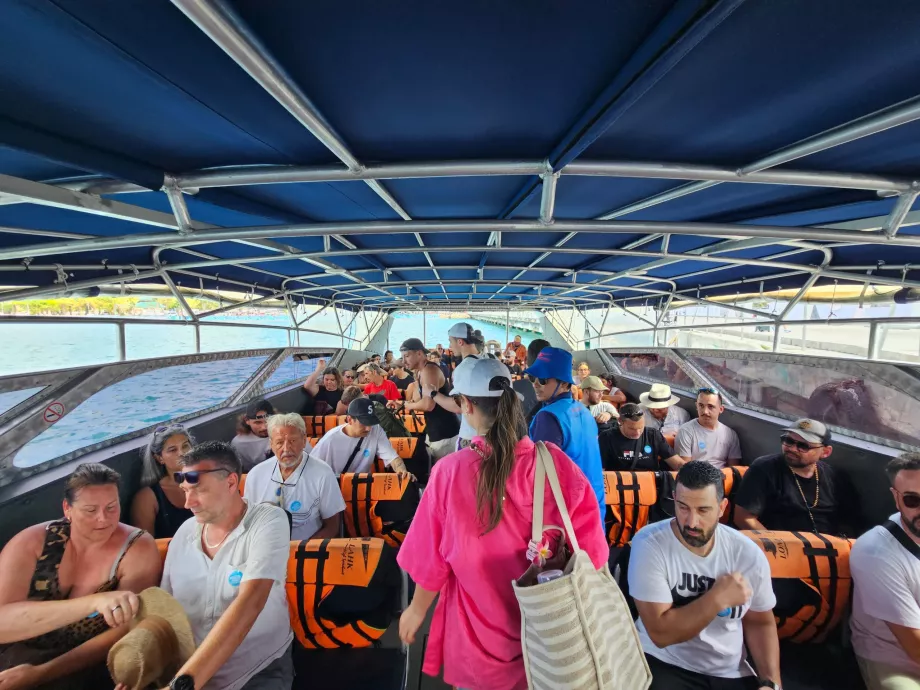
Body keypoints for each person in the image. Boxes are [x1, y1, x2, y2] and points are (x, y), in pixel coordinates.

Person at [397, 357, 608, 690]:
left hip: (478, 646)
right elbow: (593, 554)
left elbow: (432, 560)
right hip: (552, 640)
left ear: (464, 404)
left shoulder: (450, 473)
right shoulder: (557, 464)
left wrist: (416, 610)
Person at [0, 464, 161, 689]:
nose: (103, 519)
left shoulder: (137, 548)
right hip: (15, 653)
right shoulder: (31, 543)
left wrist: (41, 673)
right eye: (90, 510)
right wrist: (93, 603)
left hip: (86, 663)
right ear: (67, 508)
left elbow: (127, 627)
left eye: (112, 507)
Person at [629, 461, 781, 689]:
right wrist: (717, 598)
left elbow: (760, 623)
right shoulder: (650, 544)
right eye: (682, 507)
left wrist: (771, 683)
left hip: (729, 671)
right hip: (663, 661)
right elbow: (661, 634)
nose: (691, 522)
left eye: (703, 510)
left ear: (722, 508)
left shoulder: (747, 554)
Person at [161, 441, 294, 689]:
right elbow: (166, 611)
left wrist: (182, 684)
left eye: (198, 490)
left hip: (256, 669)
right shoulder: (184, 534)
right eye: (185, 491)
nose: (188, 503)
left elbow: (250, 602)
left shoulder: (268, 521)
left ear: (231, 483)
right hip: (189, 668)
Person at [850, 453, 920, 689]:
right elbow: (915, 647)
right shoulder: (876, 553)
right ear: (896, 498)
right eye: (913, 500)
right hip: (895, 660)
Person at [734, 419, 860, 536]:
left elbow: (849, 520)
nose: (792, 449)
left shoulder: (835, 477)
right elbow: (743, 517)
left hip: (828, 548)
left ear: (825, 452)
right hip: (783, 548)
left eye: (803, 446)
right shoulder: (764, 468)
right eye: (788, 441)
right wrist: (776, 545)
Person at [525, 346, 606, 522]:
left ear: (564, 383)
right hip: (594, 507)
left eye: (543, 379)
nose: (536, 384)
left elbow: (540, 477)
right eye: (533, 378)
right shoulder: (584, 411)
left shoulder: (548, 417)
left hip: (567, 515)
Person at [243, 414, 345, 541]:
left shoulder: (323, 473)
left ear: (303, 441)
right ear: (271, 444)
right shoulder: (256, 474)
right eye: (279, 442)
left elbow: (332, 526)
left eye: (292, 441)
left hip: (305, 552)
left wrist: (300, 551)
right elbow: (249, 521)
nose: (286, 448)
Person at [311, 398, 414, 477]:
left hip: (362, 486)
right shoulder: (330, 440)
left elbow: (393, 458)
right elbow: (311, 469)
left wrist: (402, 471)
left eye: (371, 423)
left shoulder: (376, 430)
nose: (368, 428)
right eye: (364, 423)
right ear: (350, 420)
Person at [131, 424, 196, 538]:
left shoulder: (207, 479)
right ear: (159, 458)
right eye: (172, 450)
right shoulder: (148, 497)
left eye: (185, 446)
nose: (182, 453)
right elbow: (145, 545)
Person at [599, 403, 685, 472]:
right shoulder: (607, 438)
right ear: (620, 421)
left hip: (649, 483)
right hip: (619, 484)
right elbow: (600, 469)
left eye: (641, 428)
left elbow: (677, 463)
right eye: (632, 428)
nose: (637, 433)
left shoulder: (653, 435)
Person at [675, 388, 743, 469]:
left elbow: (734, 470)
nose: (705, 411)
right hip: (695, 478)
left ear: (721, 409)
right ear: (696, 406)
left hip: (723, 478)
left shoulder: (730, 434)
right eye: (701, 406)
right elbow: (685, 470)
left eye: (710, 406)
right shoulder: (685, 431)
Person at [407, 362, 461, 444]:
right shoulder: (421, 374)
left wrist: (409, 406)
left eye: (407, 355)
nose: (404, 361)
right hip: (435, 430)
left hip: (444, 432)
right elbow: (420, 399)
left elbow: (428, 405)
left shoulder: (430, 370)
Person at [230, 399, 287, 472]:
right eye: (257, 423)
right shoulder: (238, 443)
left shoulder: (286, 434)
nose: (264, 427)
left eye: (268, 421)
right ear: (247, 421)